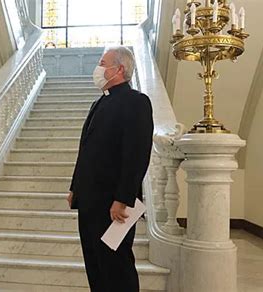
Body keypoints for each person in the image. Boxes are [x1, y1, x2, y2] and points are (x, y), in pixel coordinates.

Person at [67, 46, 154, 292]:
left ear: (119, 69)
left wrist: (123, 199)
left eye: (103, 63)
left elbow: (137, 155)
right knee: (95, 264)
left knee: (117, 266)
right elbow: (86, 151)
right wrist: (75, 187)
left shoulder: (137, 102)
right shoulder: (99, 102)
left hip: (114, 205)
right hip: (89, 201)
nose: (98, 68)